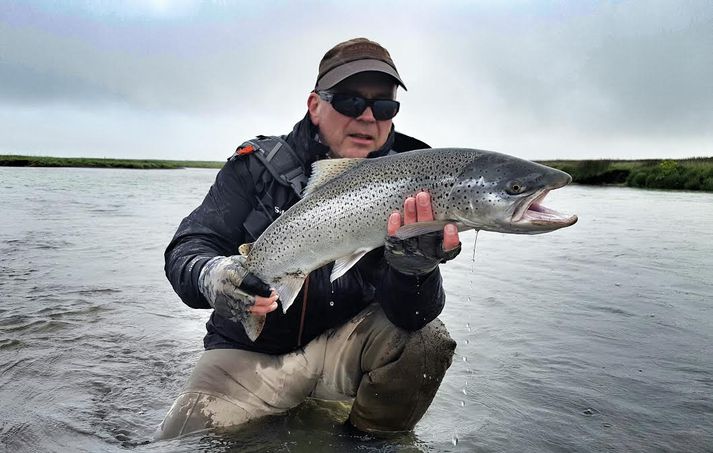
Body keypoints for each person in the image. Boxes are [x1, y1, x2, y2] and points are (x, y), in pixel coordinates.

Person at [158, 37, 461, 439]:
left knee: (426, 340)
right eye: (350, 102)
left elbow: (412, 318)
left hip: (345, 352)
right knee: (180, 442)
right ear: (315, 105)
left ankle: (365, 443)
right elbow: (187, 248)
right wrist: (214, 276)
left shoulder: (417, 182)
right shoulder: (255, 168)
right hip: (249, 355)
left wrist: (415, 269)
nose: (368, 118)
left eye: (384, 107)